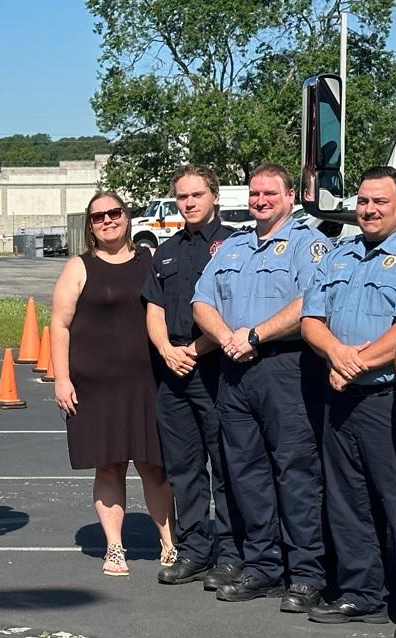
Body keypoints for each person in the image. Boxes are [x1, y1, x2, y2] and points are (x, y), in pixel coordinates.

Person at [301, 166, 396, 638]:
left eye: (380, 202)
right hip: (341, 397)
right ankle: (362, 594)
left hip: (390, 398)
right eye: (363, 201)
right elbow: (310, 320)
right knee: (347, 501)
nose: (369, 210)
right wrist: (337, 356)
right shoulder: (340, 254)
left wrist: (352, 363)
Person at [192, 164, 330, 609]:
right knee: (245, 473)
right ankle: (262, 566)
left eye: (270, 193)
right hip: (235, 368)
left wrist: (256, 334)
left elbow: (311, 300)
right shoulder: (232, 246)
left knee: (295, 472)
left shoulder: (308, 245)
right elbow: (202, 301)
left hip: (285, 368)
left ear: (291, 196)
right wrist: (228, 337)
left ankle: (306, 573)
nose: (260, 200)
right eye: (254, 193)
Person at [52, 191, 175, 577]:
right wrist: (62, 378)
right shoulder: (79, 267)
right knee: (108, 467)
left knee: (154, 466)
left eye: (114, 213)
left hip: (146, 381)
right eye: (98, 217)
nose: (107, 221)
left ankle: (170, 545)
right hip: (95, 386)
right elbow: (59, 324)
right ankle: (115, 548)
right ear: (90, 225)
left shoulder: (149, 261)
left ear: (127, 216)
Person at [144, 164, 244, 589]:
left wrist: (197, 349)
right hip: (174, 371)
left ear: (214, 197)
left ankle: (232, 552)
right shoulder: (165, 251)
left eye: (197, 195)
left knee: (225, 465)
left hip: (216, 367)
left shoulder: (235, 246)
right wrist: (167, 349)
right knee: (183, 468)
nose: (189, 203)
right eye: (182, 197)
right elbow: (154, 309)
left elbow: (236, 310)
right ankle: (194, 550)